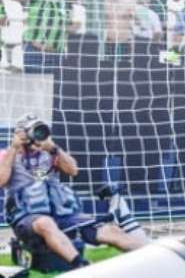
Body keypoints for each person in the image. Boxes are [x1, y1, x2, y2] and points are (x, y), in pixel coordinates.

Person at [0, 115, 146, 269]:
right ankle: (82, 266)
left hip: (62, 214)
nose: (37, 135)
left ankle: (152, 258)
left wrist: (54, 149)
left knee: (110, 230)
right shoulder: (7, 155)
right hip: (28, 218)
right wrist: (14, 148)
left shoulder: (49, 153)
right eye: (33, 130)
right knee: (45, 223)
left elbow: (73, 170)